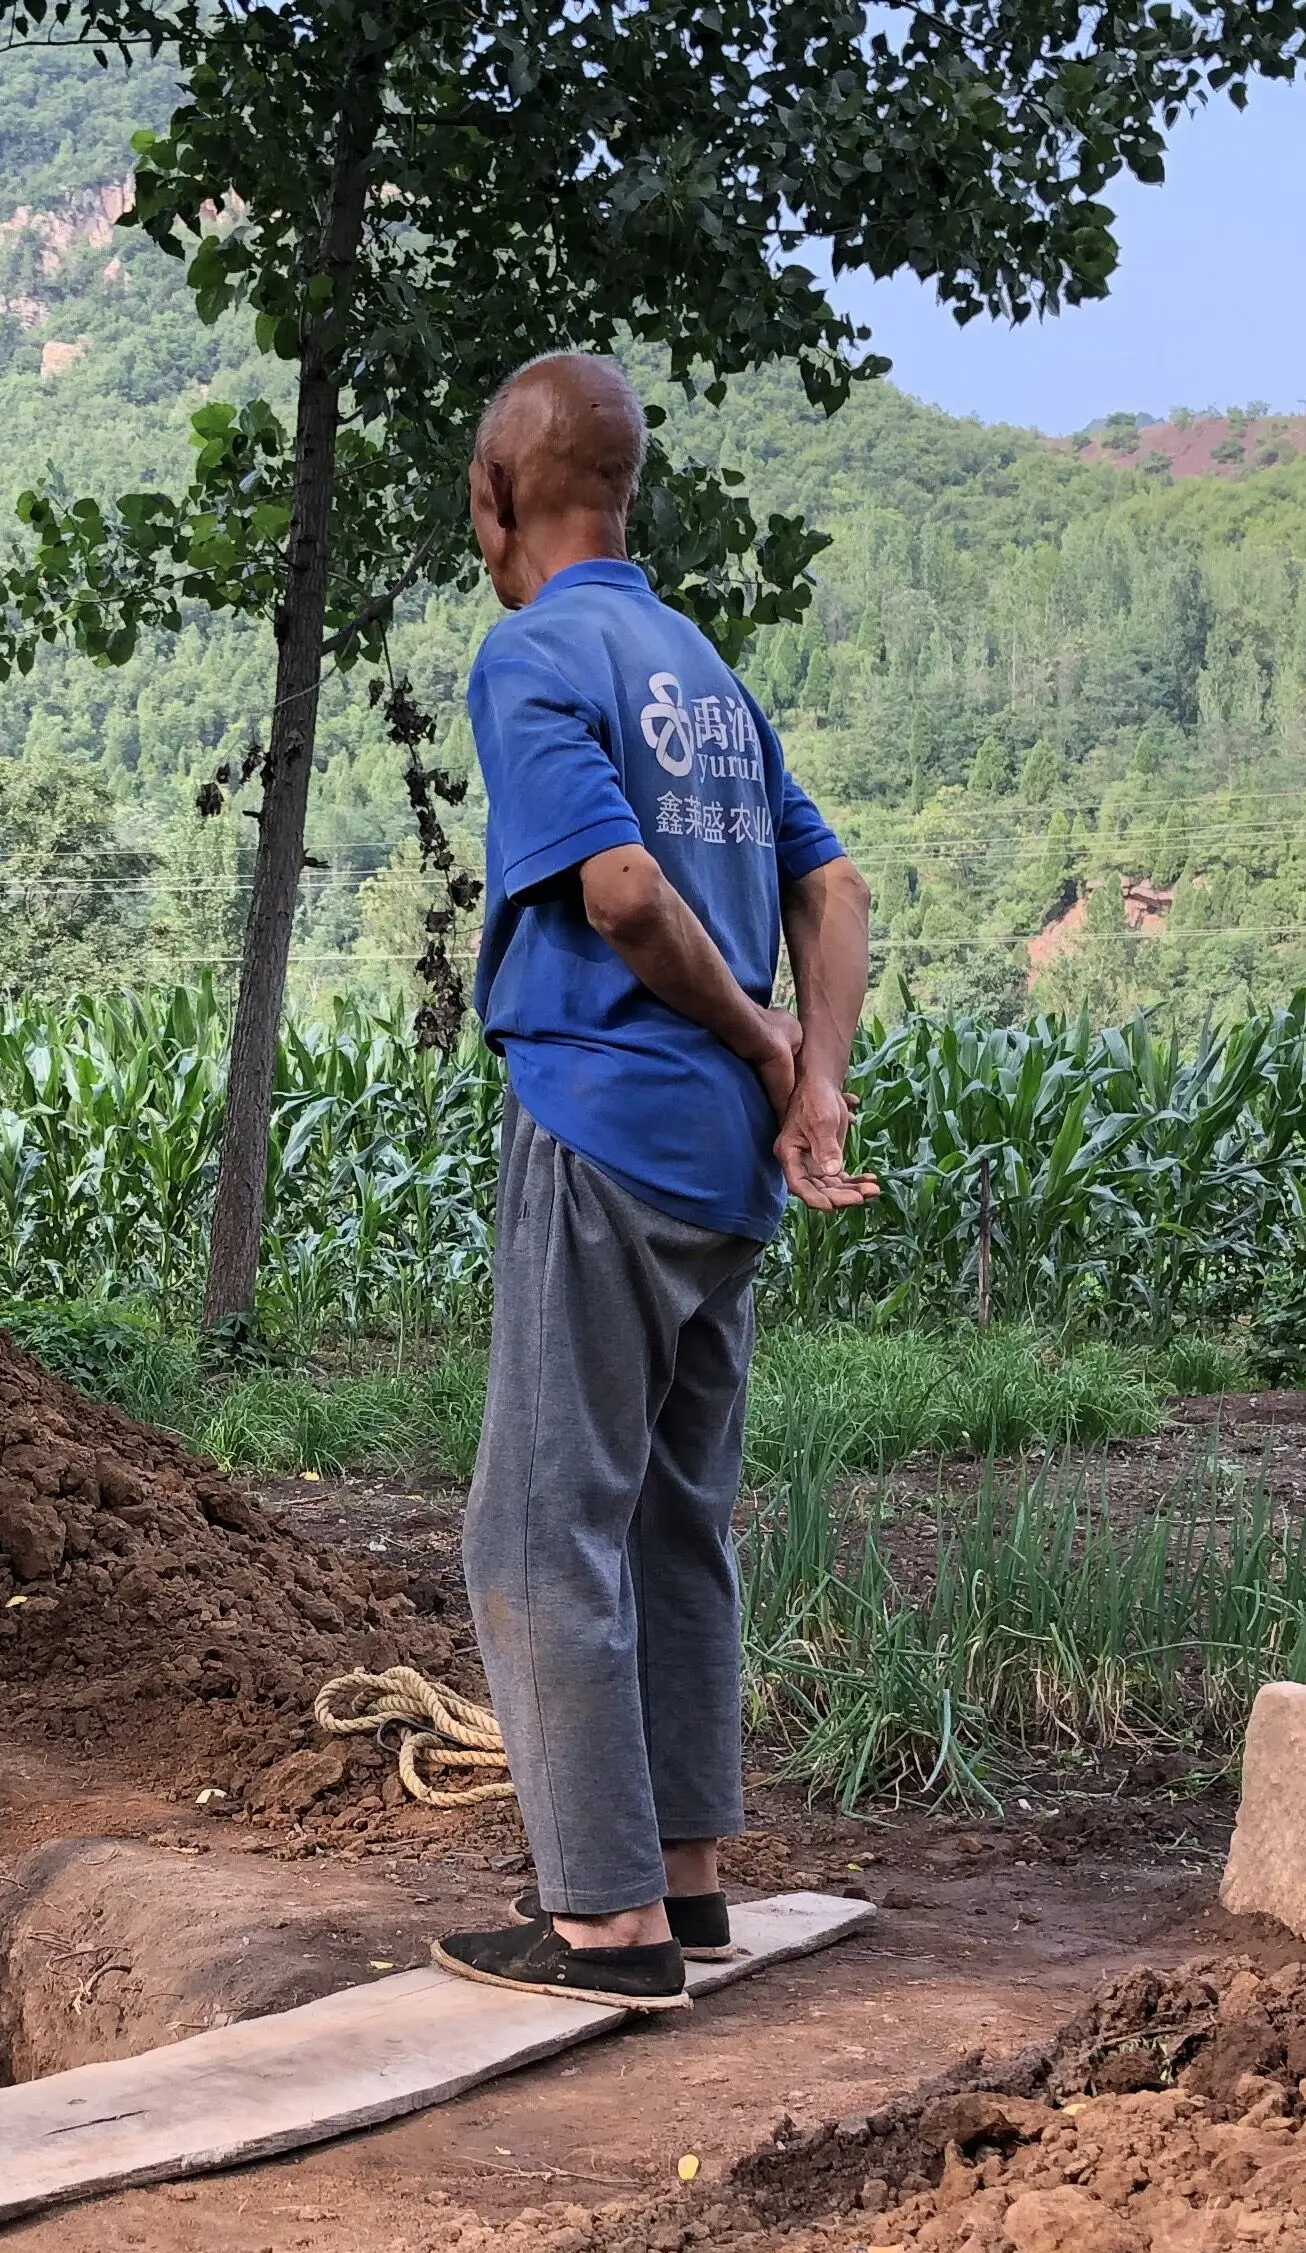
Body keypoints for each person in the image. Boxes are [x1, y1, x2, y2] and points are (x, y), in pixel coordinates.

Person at [427, 353, 877, 2012]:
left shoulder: (532, 651)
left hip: (606, 1122)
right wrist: (807, 1078)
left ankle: (600, 1918)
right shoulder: (704, 672)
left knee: (543, 1525)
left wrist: (765, 1039)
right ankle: (685, 1880)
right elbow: (834, 891)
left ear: (496, 505)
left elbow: (616, 890)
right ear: (626, 500)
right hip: (725, 1178)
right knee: (678, 1518)